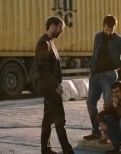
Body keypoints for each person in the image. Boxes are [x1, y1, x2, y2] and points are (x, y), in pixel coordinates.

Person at [84, 15, 121, 141]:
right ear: (103, 26)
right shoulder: (98, 36)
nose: (109, 32)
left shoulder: (118, 39)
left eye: (111, 30)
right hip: (95, 75)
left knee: (108, 105)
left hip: (109, 75)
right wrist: (92, 71)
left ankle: (107, 135)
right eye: (107, 30)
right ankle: (96, 131)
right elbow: (95, 54)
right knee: (90, 103)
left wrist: (119, 66)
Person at [35, 16, 74, 154]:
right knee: (60, 121)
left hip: (51, 88)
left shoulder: (50, 42)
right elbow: (44, 69)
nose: (61, 31)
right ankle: (67, 151)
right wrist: (55, 86)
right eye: (60, 28)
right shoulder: (43, 43)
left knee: (47, 120)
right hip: (51, 89)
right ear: (52, 26)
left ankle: (45, 150)